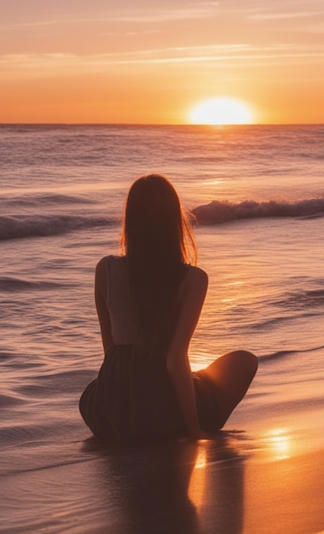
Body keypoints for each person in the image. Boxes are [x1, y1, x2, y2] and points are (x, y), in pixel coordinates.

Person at [79, 174, 257, 443]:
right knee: (244, 361)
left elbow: (111, 351)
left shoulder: (105, 269)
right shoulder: (193, 279)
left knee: (103, 385)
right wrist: (193, 430)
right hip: (161, 413)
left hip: (110, 412)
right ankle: (181, 419)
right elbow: (174, 359)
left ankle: (146, 416)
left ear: (131, 221)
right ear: (175, 221)